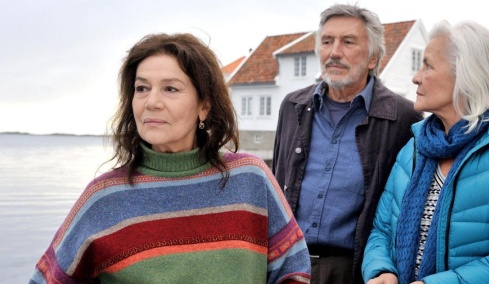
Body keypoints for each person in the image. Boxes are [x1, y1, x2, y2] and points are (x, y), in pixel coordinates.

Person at [30, 33, 311, 284]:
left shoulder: (250, 179)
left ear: (204, 106)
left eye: (170, 89)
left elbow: (293, 269)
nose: (151, 101)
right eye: (142, 88)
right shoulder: (104, 198)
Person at [362, 20, 489, 284]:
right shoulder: (414, 148)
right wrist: (381, 270)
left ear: (466, 74)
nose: (416, 76)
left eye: (428, 65)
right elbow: (382, 230)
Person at [272, 3, 423, 284]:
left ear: (373, 57)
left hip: (354, 269)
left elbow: (407, 206)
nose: (334, 52)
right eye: (327, 41)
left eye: (348, 42)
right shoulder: (292, 106)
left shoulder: (403, 117)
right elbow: (277, 182)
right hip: (287, 265)